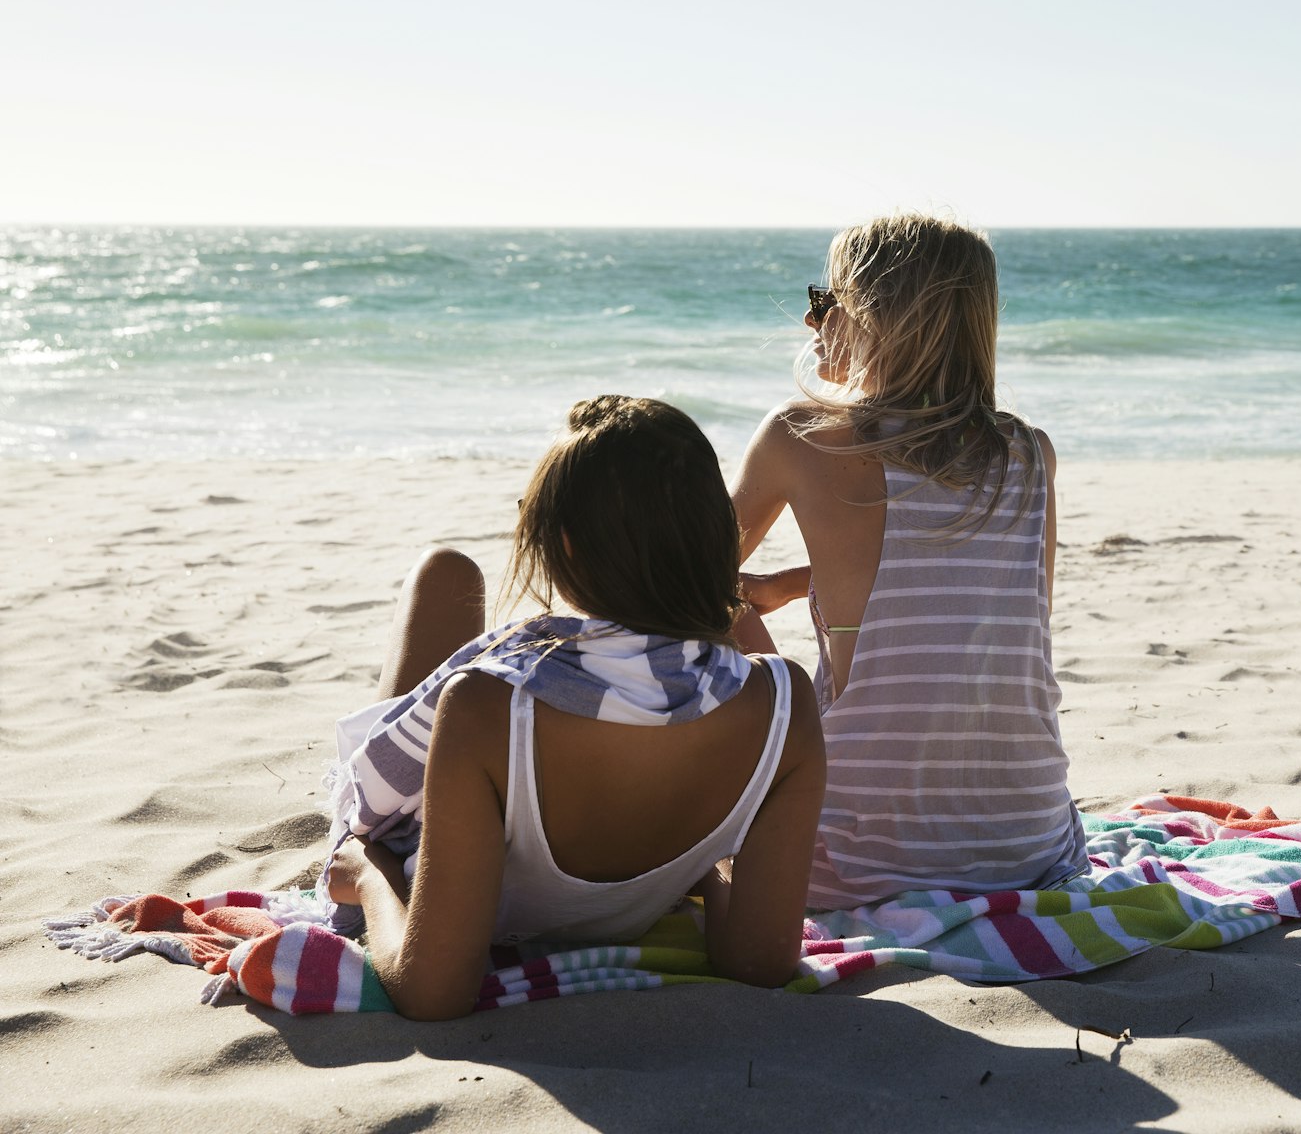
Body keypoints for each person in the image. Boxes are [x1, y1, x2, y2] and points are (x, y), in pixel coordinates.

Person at [324, 396, 824, 1020]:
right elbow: (762, 962)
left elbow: (434, 991)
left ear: (564, 543)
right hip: (640, 836)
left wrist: (368, 873)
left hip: (437, 812)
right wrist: (700, 863)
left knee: (442, 573)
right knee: (453, 581)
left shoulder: (484, 705)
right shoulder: (785, 705)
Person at [730, 213, 1086, 911]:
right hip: (1031, 851)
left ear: (871, 317)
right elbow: (984, 601)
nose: (811, 320)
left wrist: (746, 617)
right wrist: (789, 584)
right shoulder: (1030, 454)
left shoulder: (802, 436)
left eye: (824, 299)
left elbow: (667, 575)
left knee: (702, 604)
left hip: (855, 861)